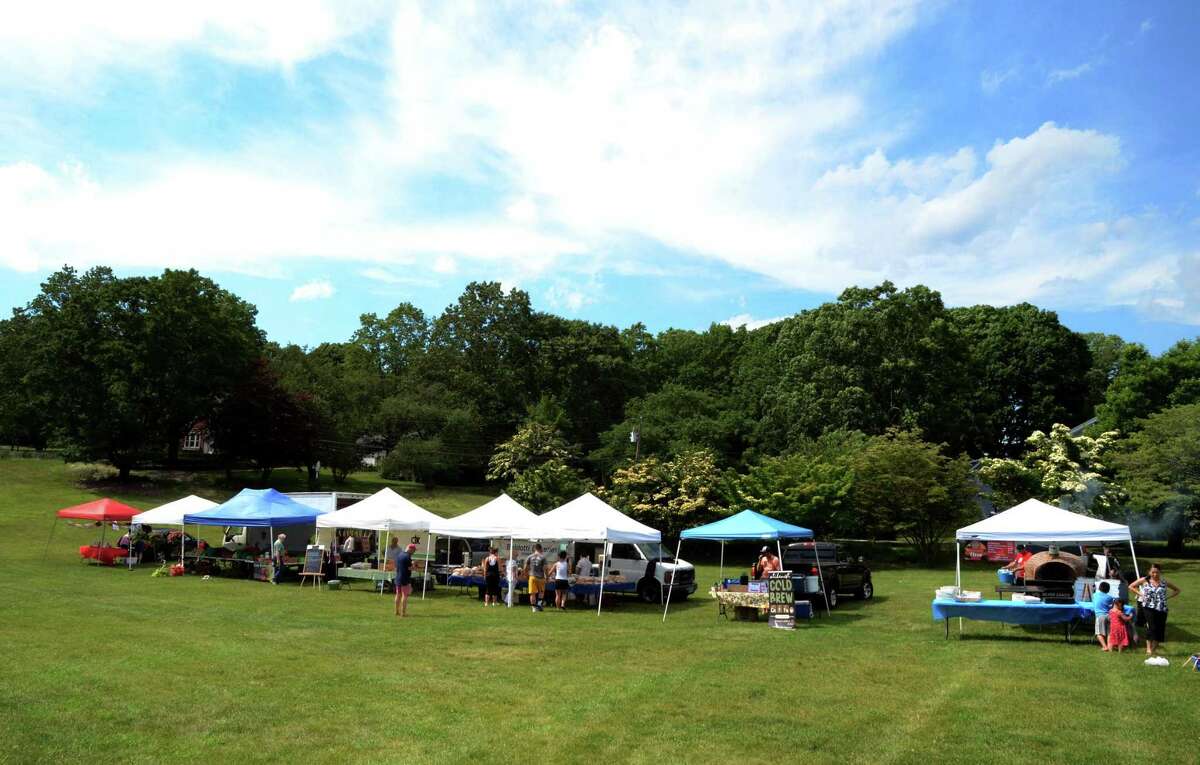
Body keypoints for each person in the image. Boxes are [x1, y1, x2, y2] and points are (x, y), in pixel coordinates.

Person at [1130, 564, 1181, 656]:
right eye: (1153, 572)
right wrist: (1141, 594)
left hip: (1162, 608)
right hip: (1148, 607)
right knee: (1152, 627)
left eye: (1156, 572)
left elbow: (1177, 590)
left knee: (1160, 629)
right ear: (1149, 572)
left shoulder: (1164, 582)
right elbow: (1131, 586)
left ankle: (1153, 649)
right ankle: (1148, 649)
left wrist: (1168, 597)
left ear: (1160, 572)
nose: (1155, 574)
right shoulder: (1145, 580)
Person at [389, 540, 416, 618]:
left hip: (398, 577)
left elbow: (396, 566)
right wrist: (414, 565)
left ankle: (396, 611)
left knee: (398, 595)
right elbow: (409, 568)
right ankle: (403, 613)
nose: (413, 552)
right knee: (405, 595)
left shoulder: (399, 555)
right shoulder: (408, 557)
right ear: (410, 549)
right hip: (405, 579)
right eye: (413, 550)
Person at [1092, 580, 1114, 651]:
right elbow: (1112, 606)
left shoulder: (1094, 595)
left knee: (1099, 633)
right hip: (1109, 616)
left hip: (1100, 616)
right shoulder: (1110, 597)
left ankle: (1105, 647)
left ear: (1099, 588)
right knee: (1109, 633)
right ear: (1108, 590)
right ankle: (1110, 647)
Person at [526, 543, 547, 612]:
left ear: (534, 549)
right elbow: (545, 568)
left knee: (532, 593)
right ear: (540, 549)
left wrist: (526, 575)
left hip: (532, 576)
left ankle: (534, 608)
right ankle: (539, 605)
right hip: (541, 577)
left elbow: (526, 568)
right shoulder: (543, 557)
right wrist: (547, 576)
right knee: (541, 592)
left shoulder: (529, 557)